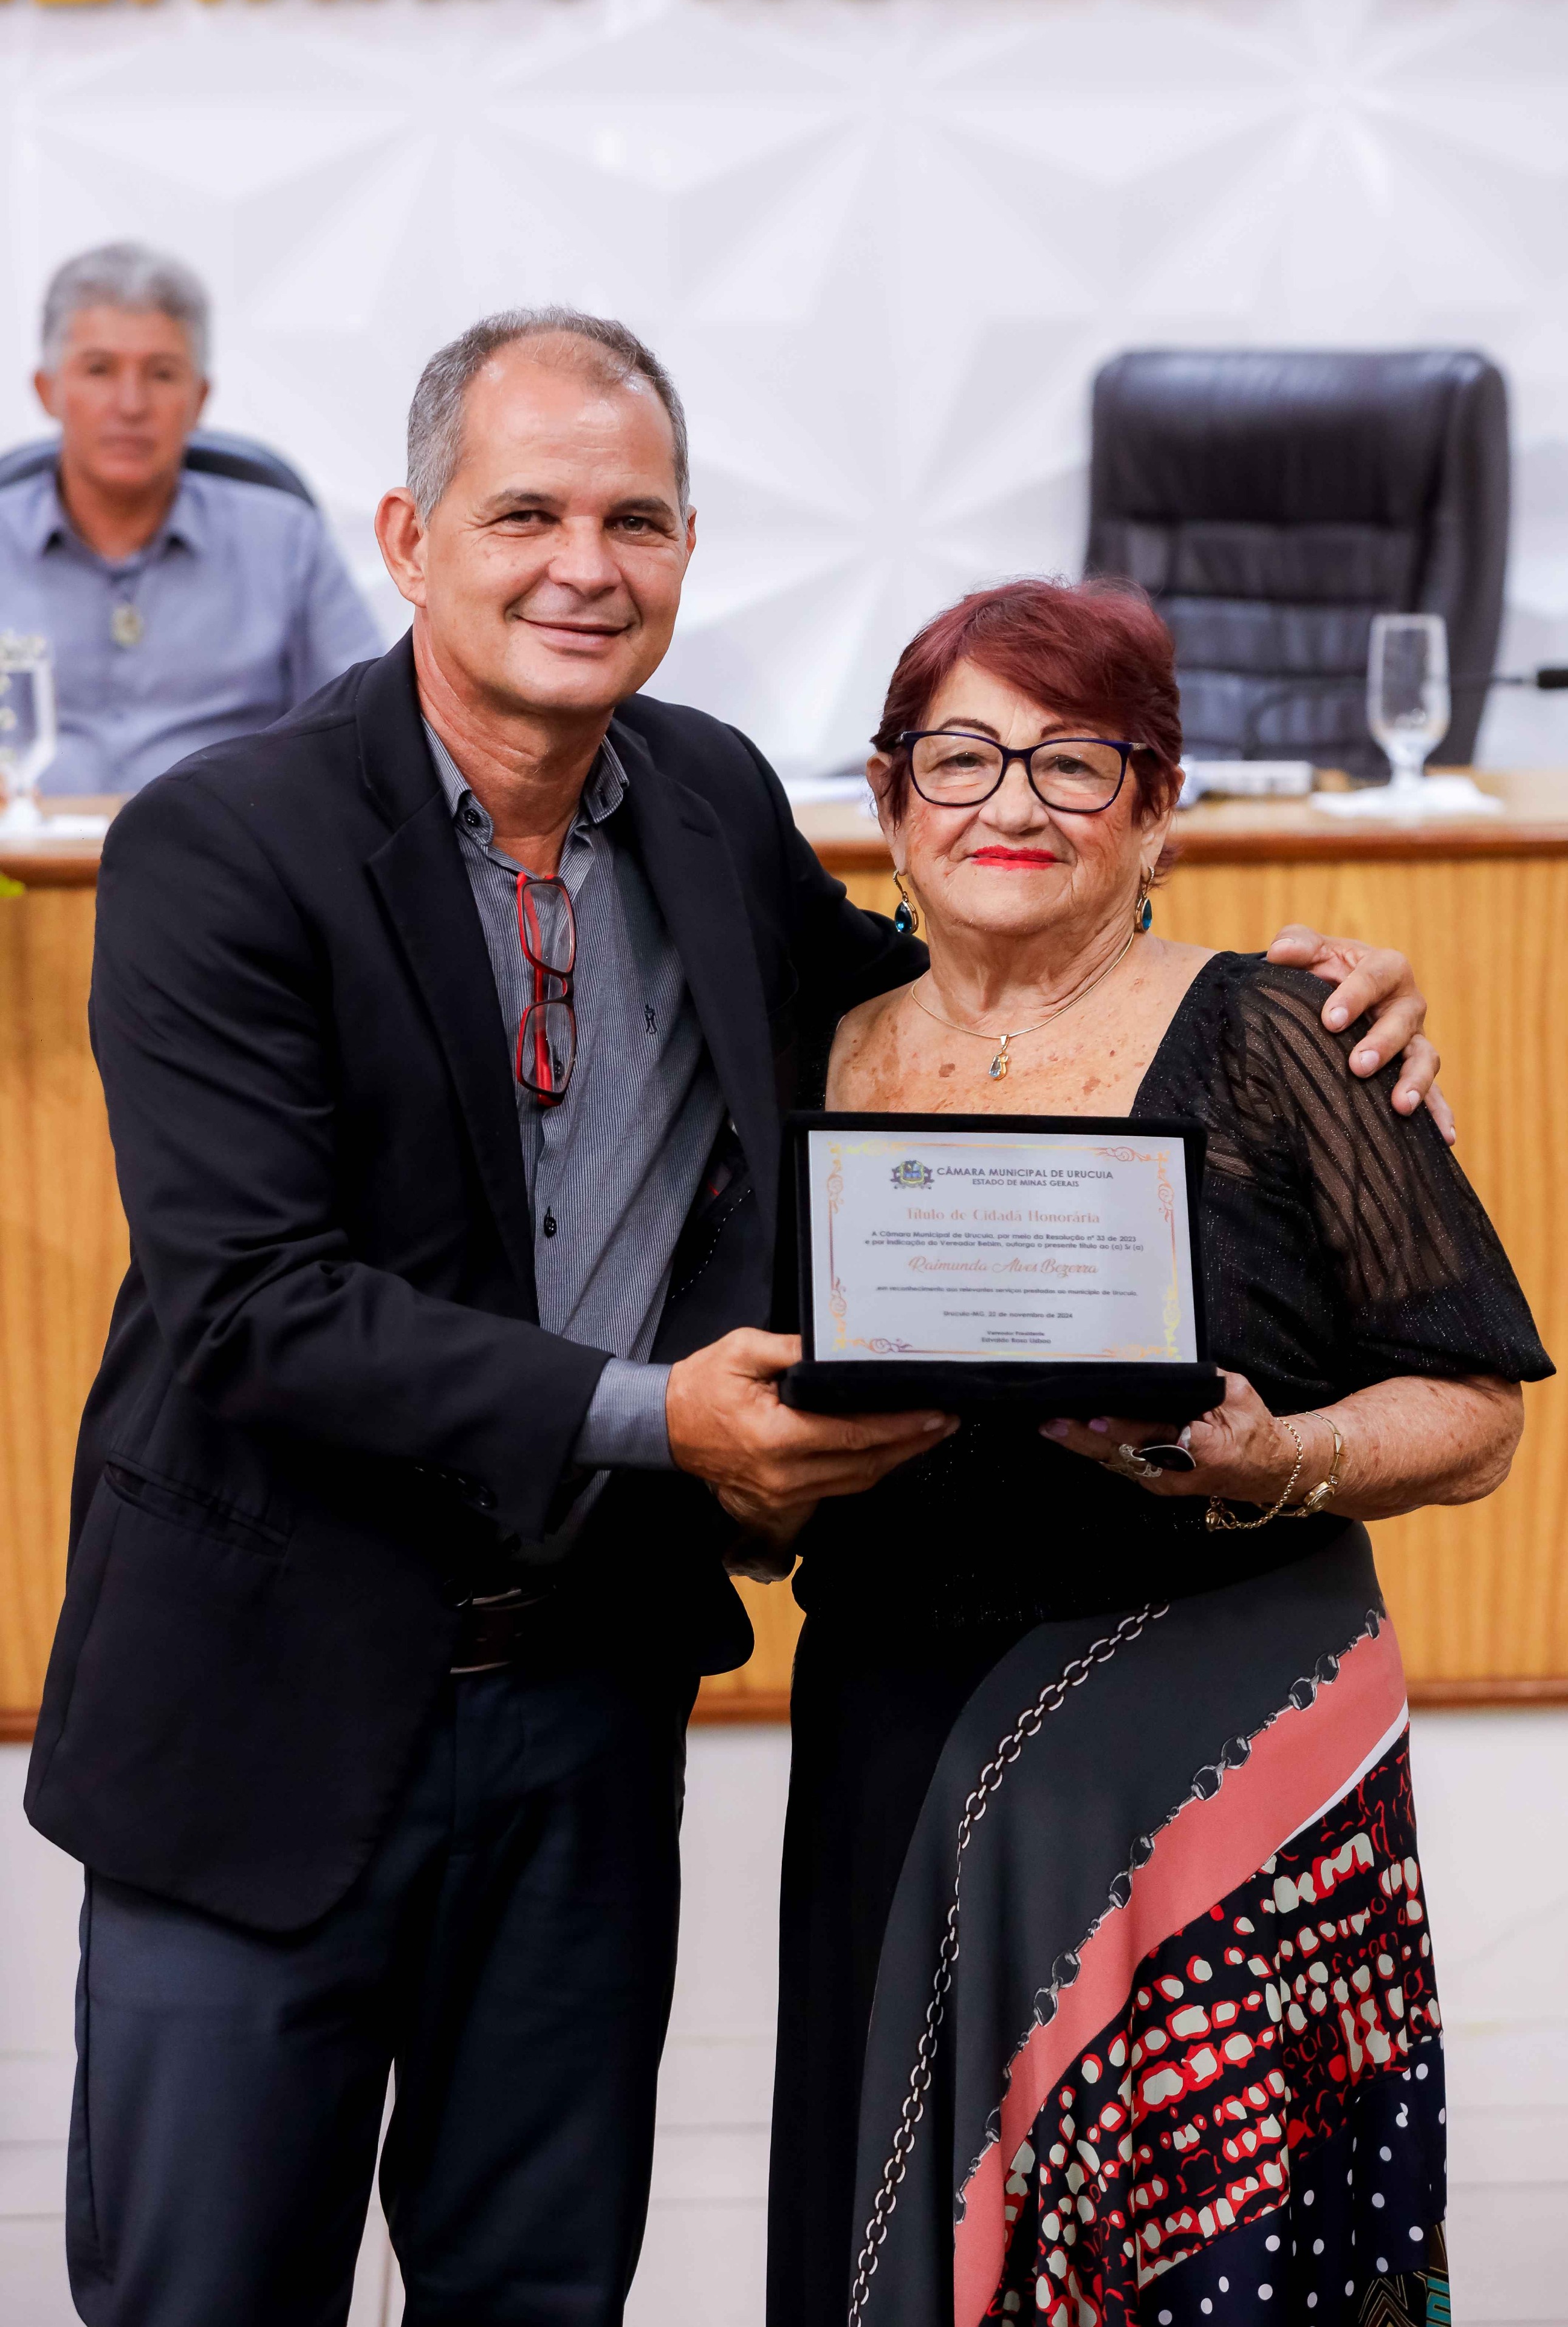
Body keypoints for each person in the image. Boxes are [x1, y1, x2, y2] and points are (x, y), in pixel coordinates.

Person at [28, 307, 1443, 2327]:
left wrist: (1274, 1007)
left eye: (636, 519)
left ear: (689, 549)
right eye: (524, 513)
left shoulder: (699, 795)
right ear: (409, 537)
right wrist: (659, 1417)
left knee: (538, 2287)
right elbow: (256, 1305)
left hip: (583, 1705)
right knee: (206, 2292)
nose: (582, 565)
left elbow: (927, 1003)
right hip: (262, 1708)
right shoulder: (223, 843)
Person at [764, 579, 1551, 2327]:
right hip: (895, 1719)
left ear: (1157, 808)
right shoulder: (806, 1049)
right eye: (959, 755)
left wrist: (1281, 1454)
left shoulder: (1285, 1034)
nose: (1012, 802)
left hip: (1220, 1743)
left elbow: (1475, 1409)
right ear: (887, 798)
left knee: (1216, 2255)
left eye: (1074, 760)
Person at [0, 241, 380, 799]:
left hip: (230, 850)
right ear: (47, 390)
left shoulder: (284, 542)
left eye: (162, 374)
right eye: (99, 370)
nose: (130, 404)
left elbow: (371, 731)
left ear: (200, 398)